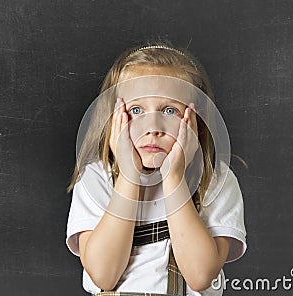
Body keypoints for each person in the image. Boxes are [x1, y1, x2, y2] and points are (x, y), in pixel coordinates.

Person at [66, 41, 247, 296]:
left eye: (170, 110)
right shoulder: (98, 178)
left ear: (197, 120)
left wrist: (173, 179)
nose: (153, 127)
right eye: (136, 110)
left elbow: (200, 276)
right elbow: (104, 275)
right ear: (114, 116)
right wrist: (129, 177)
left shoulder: (215, 182)